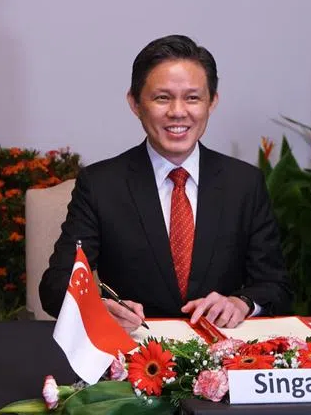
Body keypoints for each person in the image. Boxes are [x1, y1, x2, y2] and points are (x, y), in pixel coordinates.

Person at [39, 35, 291, 330]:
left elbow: (276, 286)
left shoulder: (244, 184)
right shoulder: (100, 185)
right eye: (162, 98)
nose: (178, 112)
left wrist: (242, 302)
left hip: (221, 346)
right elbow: (56, 285)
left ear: (212, 102)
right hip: (134, 348)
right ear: (135, 103)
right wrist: (97, 307)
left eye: (192, 98)